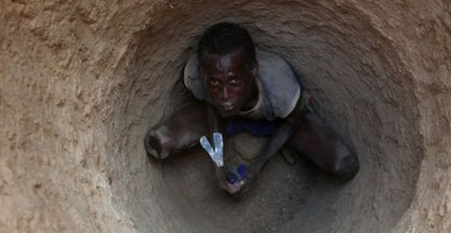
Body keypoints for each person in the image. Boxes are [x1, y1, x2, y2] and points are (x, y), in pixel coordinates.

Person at [144, 22, 359, 196]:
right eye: (215, 83)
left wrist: (255, 170)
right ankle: (173, 136)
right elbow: (211, 106)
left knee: (344, 165)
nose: (225, 94)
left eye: (235, 81)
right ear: (202, 73)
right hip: (226, 118)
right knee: (160, 142)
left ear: (253, 70)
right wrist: (218, 166)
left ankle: (286, 144)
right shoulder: (197, 76)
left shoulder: (280, 87)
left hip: (277, 118)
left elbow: (293, 120)